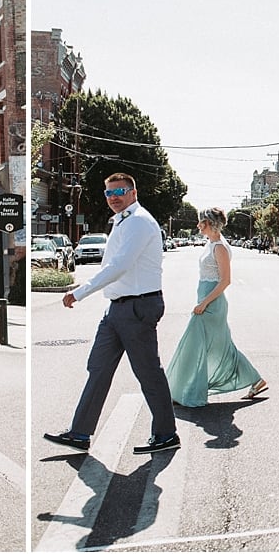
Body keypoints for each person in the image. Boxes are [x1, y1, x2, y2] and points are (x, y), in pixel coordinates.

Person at [43, 173, 180, 455]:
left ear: (133, 192)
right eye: (109, 193)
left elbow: (119, 265)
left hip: (138, 305)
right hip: (117, 308)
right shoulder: (122, 221)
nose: (113, 197)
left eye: (119, 191)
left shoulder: (139, 222)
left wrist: (79, 292)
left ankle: (166, 433)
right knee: (99, 367)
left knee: (147, 372)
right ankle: (80, 433)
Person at [164, 207, 266, 407]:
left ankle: (181, 390)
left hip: (212, 303)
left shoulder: (219, 247)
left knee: (192, 345)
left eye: (201, 222)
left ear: (209, 224)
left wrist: (204, 303)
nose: (198, 225)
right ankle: (256, 380)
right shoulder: (210, 244)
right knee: (223, 347)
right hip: (206, 298)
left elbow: (226, 280)